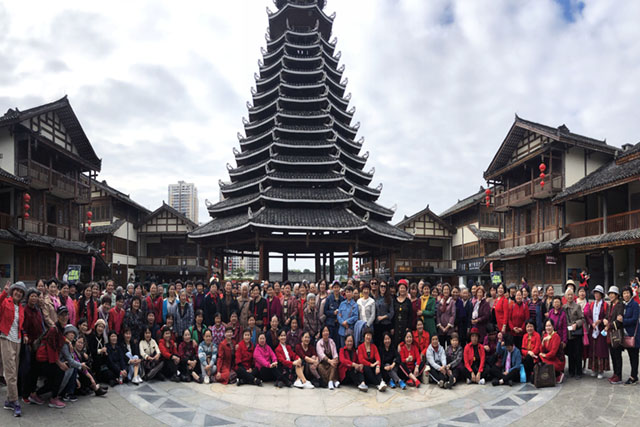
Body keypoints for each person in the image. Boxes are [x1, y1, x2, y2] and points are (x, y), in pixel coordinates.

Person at [0, 281, 26, 416]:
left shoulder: (21, 308)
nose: (18, 293)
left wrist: (24, 335)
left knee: (14, 373)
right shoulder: (5, 302)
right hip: (6, 339)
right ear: (12, 290)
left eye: (21, 292)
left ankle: (9, 400)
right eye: (17, 290)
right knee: (10, 373)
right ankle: (15, 402)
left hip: (18, 341)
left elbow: (20, 325)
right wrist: (4, 292)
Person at [584, 285, 609, 379]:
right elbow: (588, 316)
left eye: (598, 293)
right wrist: (592, 323)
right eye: (595, 293)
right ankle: (594, 369)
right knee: (593, 349)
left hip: (601, 330)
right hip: (593, 330)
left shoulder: (605, 305)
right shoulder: (591, 304)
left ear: (601, 294)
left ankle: (601, 370)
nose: (596, 295)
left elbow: (607, 316)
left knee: (600, 350)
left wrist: (600, 321)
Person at [604, 286, 624, 384]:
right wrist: (605, 320)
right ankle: (615, 373)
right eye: (610, 294)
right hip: (610, 334)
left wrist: (609, 325)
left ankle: (619, 376)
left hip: (616, 334)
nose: (611, 295)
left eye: (613, 294)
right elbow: (607, 316)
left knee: (617, 356)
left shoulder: (620, 305)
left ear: (616, 295)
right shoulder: (610, 305)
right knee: (613, 355)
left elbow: (619, 321)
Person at [564, 288, 585, 379]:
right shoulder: (563, 307)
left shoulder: (577, 306)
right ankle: (571, 371)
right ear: (565, 296)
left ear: (574, 296)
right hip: (568, 333)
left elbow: (582, 319)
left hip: (576, 333)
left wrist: (576, 324)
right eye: (568, 295)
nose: (570, 296)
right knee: (570, 353)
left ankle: (578, 372)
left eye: (571, 295)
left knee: (578, 353)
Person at [621, 286, 639, 385]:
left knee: (634, 356)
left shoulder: (634, 304)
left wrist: (623, 321)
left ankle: (634, 376)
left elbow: (634, 319)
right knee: (630, 356)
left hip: (633, 335)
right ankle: (634, 374)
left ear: (631, 294)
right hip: (626, 334)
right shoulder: (624, 305)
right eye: (624, 293)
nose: (626, 295)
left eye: (627, 293)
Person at [540, 318, 565, 384]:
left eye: (549, 326)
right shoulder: (545, 335)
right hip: (550, 358)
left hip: (557, 360)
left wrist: (545, 355)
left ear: (553, 327)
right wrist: (543, 342)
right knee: (539, 357)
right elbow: (541, 350)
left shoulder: (556, 336)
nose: (548, 328)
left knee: (542, 359)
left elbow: (553, 353)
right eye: (546, 326)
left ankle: (558, 374)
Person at [374, 281, 394, 348]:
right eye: (381, 286)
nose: (383, 288)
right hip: (377, 325)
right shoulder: (376, 298)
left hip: (386, 325)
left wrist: (383, 317)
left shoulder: (389, 299)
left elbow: (392, 313)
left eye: (384, 286)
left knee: (386, 344)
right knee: (378, 343)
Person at [324, 281, 344, 347]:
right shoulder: (329, 298)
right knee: (330, 342)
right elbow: (325, 311)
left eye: (337, 287)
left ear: (339, 288)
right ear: (332, 288)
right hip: (330, 324)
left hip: (339, 324)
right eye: (335, 287)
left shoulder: (342, 299)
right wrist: (333, 313)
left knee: (338, 342)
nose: (336, 289)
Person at [393, 281, 413, 348]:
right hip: (396, 325)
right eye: (401, 288)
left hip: (405, 326)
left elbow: (410, 315)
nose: (402, 290)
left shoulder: (408, 301)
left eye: (404, 288)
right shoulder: (394, 300)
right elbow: (392, 314)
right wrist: (392, 327)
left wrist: (408, 327)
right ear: (398, 289)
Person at [436, 283, 456, 348]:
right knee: (441, 347)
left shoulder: (452, 302)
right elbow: (438, 315)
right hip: (441, 329)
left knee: (450, 347)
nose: (446, 291)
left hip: (449, 329)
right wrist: (440, 326)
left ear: (449, 291)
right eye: (444, 289)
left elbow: (453, 315)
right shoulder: (440, 302)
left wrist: (447, 327)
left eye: (447, 289)